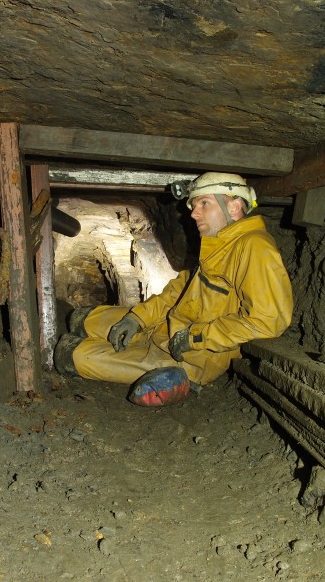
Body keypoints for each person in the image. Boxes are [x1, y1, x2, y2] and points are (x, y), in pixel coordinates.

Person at [54, 172, 293, 407]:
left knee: (72, 356)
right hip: (165, 328)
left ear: (233, 207)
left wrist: (196, 338)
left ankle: (175, 379)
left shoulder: (254, 248)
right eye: (194, 205)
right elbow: (176, 293)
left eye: (203, 203)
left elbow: (269, 321)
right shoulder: (218, 245)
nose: (193, 212)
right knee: (82, 319)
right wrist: (137, 318)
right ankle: (119, 332)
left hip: (189, 355)